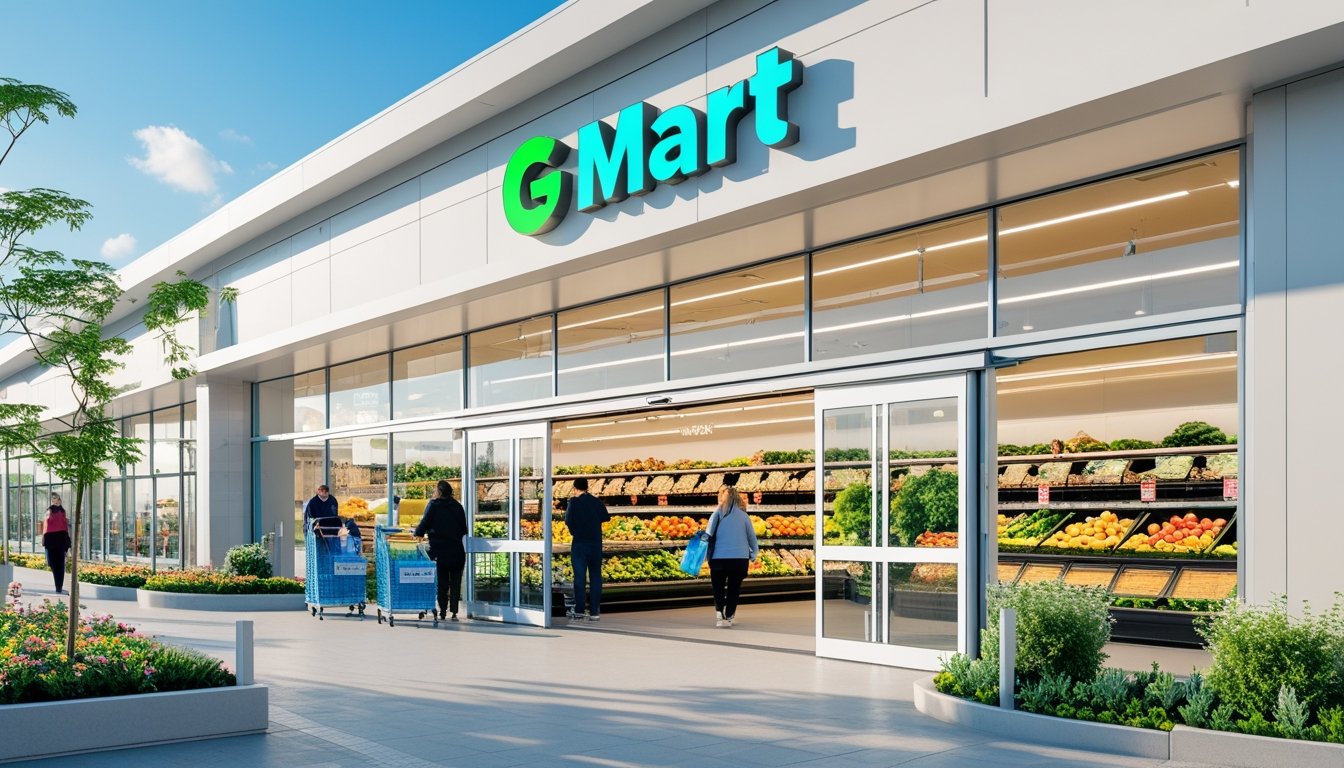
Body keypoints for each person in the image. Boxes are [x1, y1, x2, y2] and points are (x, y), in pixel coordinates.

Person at [414, 480, 468, 621]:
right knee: (455, 582)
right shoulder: (458, 506)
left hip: (440, 551)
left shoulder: (433, 505)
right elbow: (463, 529)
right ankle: (454, 612)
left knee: (442, 583)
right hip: (457, 551)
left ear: (438, 492)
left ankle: (443, 610)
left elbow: (424, 524)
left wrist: (417, 534)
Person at [707, 485, 758, 628]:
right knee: (734, 588)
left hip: (718, 558)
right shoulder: (744, 516)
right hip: (739, 559)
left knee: (718, 587)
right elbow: (751, 537)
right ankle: (729, 616)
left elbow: (708, 534)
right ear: (738, 498)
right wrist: (754, 553)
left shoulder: (716, 514)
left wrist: (705, 555)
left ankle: (719, 612)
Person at [563, 477, 610, 621]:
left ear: (575, 488)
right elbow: (606, 517)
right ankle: (595, 611)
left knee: (580, 578)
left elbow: (568, 521)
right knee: (595, 577)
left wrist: (575, 530)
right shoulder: (597, 502)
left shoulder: (574, 502)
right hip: (595, 544)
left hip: (580, 544)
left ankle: (580, 610)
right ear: (587, 487)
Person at [42, 494, 72, 595]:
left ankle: (59, 588)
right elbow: (46, 526)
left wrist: (67, 541)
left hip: (60, 538)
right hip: (50, 538)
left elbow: (65, 527)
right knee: (51, 562)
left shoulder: (63, 511)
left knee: (60, 564)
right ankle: (58, 587)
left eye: (56, 499)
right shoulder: (49, 510)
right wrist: (43, 538)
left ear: (59, 500)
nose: (55, 501)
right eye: (53, 499)